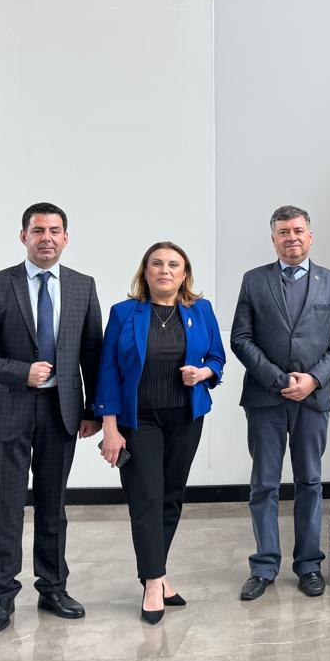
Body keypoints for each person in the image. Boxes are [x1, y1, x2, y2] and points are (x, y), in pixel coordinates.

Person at [0, 202, 103, 634]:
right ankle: (1, 596)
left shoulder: (82, 286)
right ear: (23, 236)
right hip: (9, 412)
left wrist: (93, 409)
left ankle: (53, 587)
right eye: (38, 230)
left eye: (55, 230)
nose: (47, 238)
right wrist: (21, 372)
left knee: (53, 507)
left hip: (61, 412)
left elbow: (93, 354)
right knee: (7, 507)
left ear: (66, 237)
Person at [95, 242, 225, 624]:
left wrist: (204, 373)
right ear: (145, 271)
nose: (165, 270)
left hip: (186, 416)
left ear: (184, 274)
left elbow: (217, 357)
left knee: (170, 496)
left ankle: (159, 571)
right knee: (146, 497)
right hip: (140, 420)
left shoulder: (200, 310)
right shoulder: (124, 313)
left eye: (173, 264)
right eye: (157, 264)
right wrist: (109, 427)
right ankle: (153, 582)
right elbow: (108, 371)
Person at [231, 206, 330, 600]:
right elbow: (241, 338)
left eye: (298, 230)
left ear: (310, 235)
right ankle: (265, 566)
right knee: (264, 484)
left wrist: (313, 379)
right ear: (273, 239)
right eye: (283, 232)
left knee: (310, 482)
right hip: (266, 399)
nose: (291, 237)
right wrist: (278, 379)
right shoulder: (254, 281)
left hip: (313, 399)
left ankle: (308, 566)